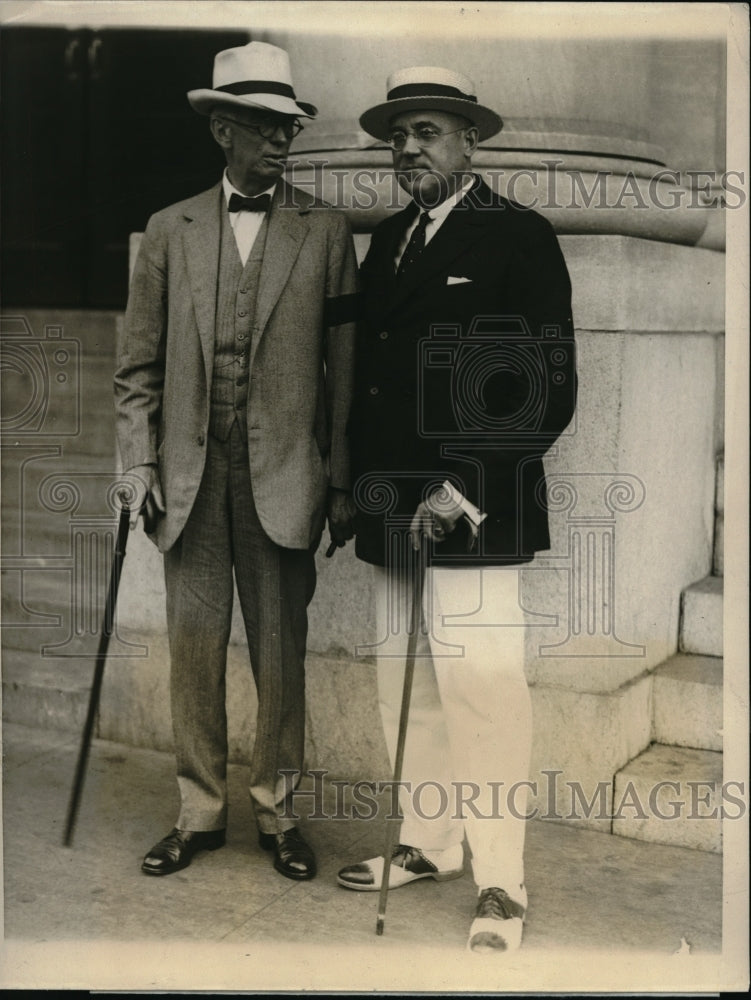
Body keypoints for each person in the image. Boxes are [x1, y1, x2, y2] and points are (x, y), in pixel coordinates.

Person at [337, 66, 577, 952]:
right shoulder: (390, 237)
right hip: (391, 503)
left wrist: (464, 486)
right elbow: (367, 374)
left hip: (477, 507)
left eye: (428, 131)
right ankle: (428, 843)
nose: (409, 149)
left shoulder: (518, 236)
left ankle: (502, 883)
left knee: (481, 690)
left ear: (470, 141)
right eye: (399, 136)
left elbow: (547, 387)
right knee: (404, 681)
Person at [115, 41, 357, 882]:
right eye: (261, 124)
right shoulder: (167, 231)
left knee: (279, 655)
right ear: (222, 130)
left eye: (287, 124)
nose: (280, 138)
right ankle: (199, 811)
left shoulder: (325, 232)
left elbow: (345, 372)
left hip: (285, 480)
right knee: (193, 651)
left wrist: (340, 479)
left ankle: (280, 813)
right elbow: (136, 370)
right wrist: (135, 463)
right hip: (187, 480)